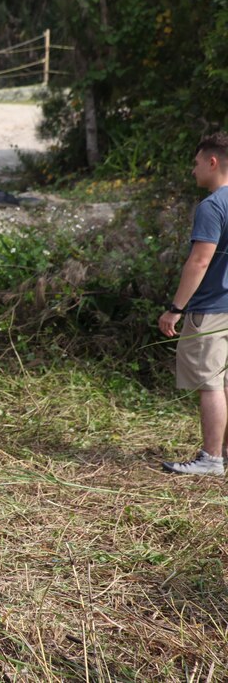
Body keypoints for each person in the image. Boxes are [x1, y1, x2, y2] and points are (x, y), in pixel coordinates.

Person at [160, 131, 228, 476]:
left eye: (196, 162)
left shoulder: (212, 206)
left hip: (213, 308)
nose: (193, 170)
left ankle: (211, 459)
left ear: (213, 162)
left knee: (211, 384)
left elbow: (200, 261)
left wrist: (175, 308)